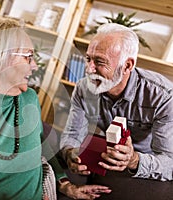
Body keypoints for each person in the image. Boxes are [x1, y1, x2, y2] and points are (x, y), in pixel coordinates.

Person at [0, 18, 111, 200]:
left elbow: (40, 146)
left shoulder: (29, 99)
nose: (34, 65)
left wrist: (66, 186)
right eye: (27, 56)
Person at [60, 23, 173, 181]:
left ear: (127, 66)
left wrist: (133, 160)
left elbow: (169, 163)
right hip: (104, 158)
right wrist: (70, 152)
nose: (89, 69)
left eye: (99, 62)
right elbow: (72, 134)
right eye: (88, 59)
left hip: (144, 168)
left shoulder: (163, 96)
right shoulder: (83, 88)